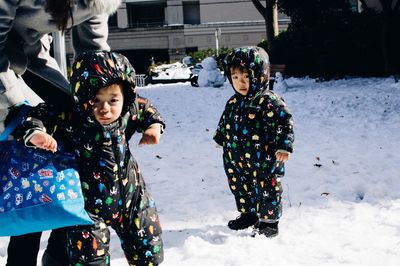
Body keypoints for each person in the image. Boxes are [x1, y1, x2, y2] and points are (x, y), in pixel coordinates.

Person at [14, 51, 165, 265]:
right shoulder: (72, 116)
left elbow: (146, 109)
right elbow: (38, 116)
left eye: (113, 100)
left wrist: (153, 127)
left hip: (131, 195)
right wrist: (36, 133)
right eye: (96, 100)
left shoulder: (127, 110)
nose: (105, 108)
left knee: (148, 244)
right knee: (89, 256)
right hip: (87, 204)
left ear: (125, 97)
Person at [1, 1, 122, 265]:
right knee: (25, 163)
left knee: (73, 129)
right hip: (3, 69)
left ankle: (60, 252)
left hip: (29, 57)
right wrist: (20, 115)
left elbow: (94, 51)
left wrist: (107, 93)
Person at [213, 47, 294, 237]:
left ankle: (269, 222)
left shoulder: (268, 101)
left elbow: (284, 121)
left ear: (259, 75)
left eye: (246, 77)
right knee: (240, 187)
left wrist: (284, 145)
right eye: (235, 78)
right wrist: (220, 137)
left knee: (266, 189)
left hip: (263, 160)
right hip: (235, 159)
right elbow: (225, 121)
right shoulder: (233, 102)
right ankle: (248, 214)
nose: (240, 83)